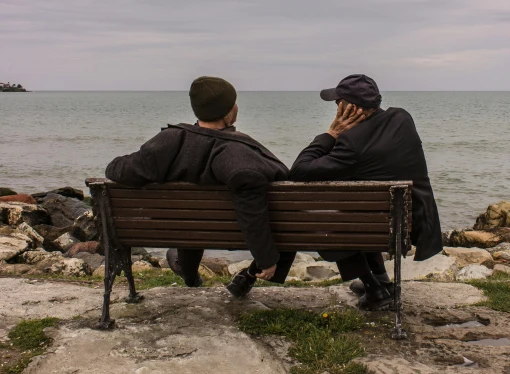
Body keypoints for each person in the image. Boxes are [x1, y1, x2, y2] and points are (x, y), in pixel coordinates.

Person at [105, 76, 293, 297]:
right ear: (229, 112)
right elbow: (251, 203)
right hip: (230, 231)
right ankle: (247, 275)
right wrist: (266, 258)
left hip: (180, 228)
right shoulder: (238, 156)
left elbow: (117, 169)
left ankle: (189, 272)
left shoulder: (168, 142)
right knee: (285, 214)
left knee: (188, 219)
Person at [289, 74, 442, 311]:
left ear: (349, 108)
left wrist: (331, 133)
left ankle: (375, 289)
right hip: (412, 224)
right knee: (363, 212)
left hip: (372, 228)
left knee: (329, 222)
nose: (335, 106)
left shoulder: (351, 142)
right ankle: (382, 281)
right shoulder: (403, 118)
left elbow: (299, 170)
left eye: (337, 102)